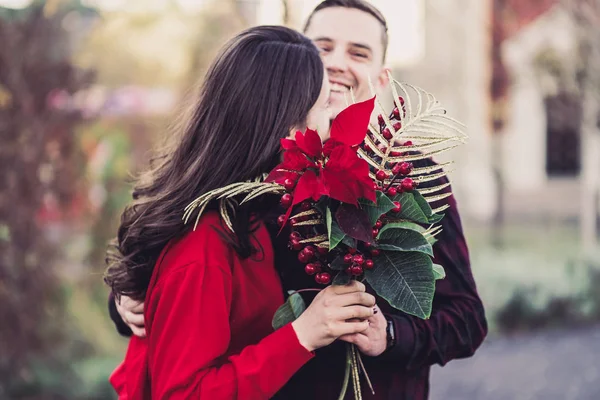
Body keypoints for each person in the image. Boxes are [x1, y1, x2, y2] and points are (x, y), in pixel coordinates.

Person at [109, 1, 488, 398]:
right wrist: (128, 299)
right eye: (322, 47)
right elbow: (187, 276)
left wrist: (391, 335)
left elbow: (466, 319)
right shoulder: (247, 182)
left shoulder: (410, 179)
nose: (336, 64)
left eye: (358, 53)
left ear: (381, 78)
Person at [105, 25, 378, 399]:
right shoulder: (205, 242)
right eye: (321, 107)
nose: (328, 122)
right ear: (283, 124)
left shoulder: (253, 211)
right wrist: (302, 335)